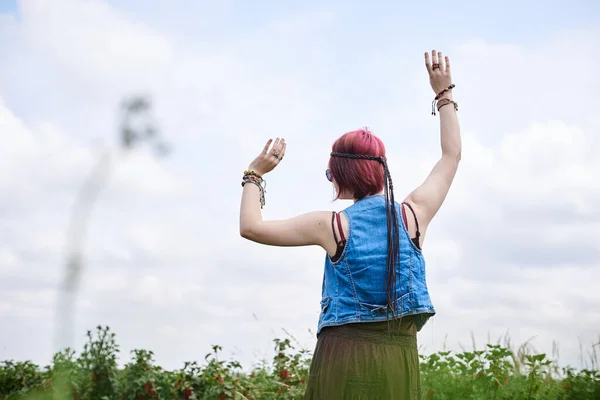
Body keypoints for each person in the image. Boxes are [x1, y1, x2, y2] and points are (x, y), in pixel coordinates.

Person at [239, 50, 461, 399]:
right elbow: (451, 156)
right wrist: (443, 92)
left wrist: (255, 174)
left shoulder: (330, 225)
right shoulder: (415, 213)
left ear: (341, 176)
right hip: (398, 359)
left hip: (342, 356)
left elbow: (251, 227)